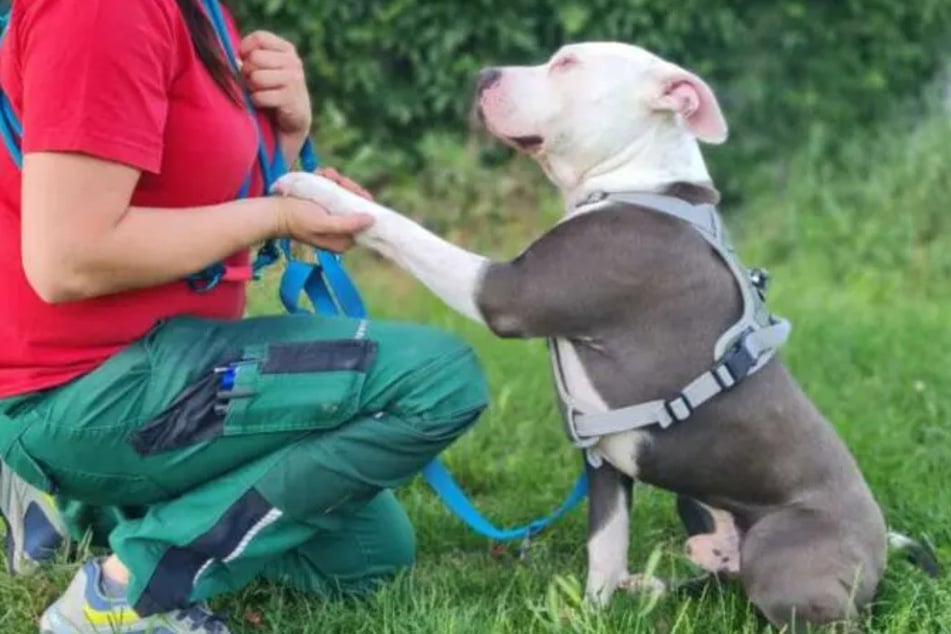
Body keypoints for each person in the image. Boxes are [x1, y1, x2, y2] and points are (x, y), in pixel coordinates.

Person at [0, 1, 488, 632]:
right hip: (85, 384)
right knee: (436, 379)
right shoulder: (104, 11)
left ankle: (78, 511)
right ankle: (127, 593)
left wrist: (285, 151)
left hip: (175, 366)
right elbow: (69, 258)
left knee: (367, 557)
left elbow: (191, 201)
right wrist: (275, 217)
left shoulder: (198, 11)